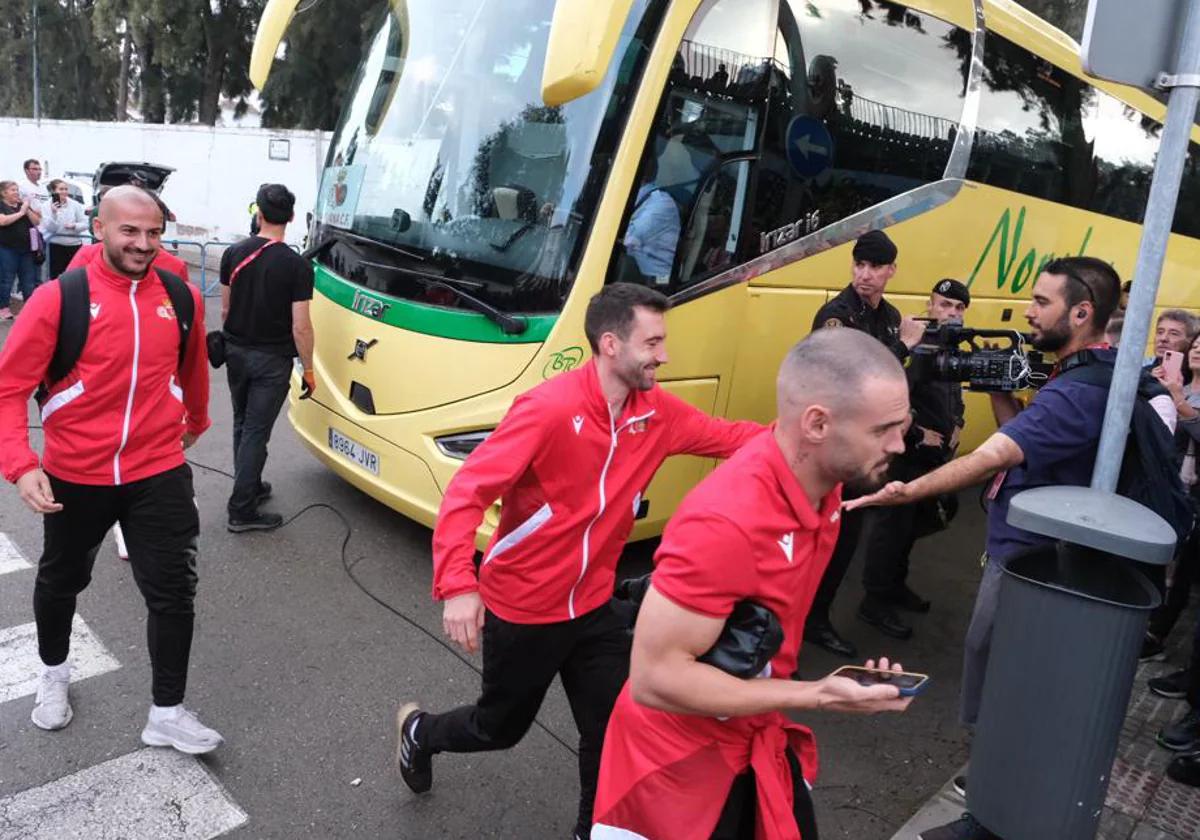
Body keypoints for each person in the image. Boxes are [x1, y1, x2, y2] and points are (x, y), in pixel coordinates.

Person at [395, 282, 765, 840]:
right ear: (611, 344)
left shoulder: (655, 413)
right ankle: (421, 732)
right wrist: (457, 584)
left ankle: (592, 832)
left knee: (613, 730)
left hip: (595, 605)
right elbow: (466, 492)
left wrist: (813, 442)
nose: (664, 355)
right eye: (654, 342)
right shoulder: (548, 410)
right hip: (525, 607)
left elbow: (731, 437)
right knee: (500, 728)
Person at [846, 256, 1132, 840]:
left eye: (1041, 302)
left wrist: (906, 491)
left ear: (1082, 313)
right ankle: (991, 789)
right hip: (1025, 547)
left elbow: (994, 455)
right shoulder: (1082, 372)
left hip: (1029, 558)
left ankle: (991, 802)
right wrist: (1001, 388)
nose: (1027, 311)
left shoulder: (1077, 392)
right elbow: (1022, 434)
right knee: (994, 662)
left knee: (999, 669)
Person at [591, 328, 914, 840]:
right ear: (817, 424)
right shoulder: (726, 522)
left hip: (752, 738)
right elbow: (655, 679)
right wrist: (819, 695)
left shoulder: (825, 492)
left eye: (905, 424)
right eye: (884, 430)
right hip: (677, 771)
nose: (899, 444)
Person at [0, 186, 221, 753]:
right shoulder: (59, 298)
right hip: (76, 473)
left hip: (158, 470)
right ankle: (53, 674)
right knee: (61, 581)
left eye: (153, 233)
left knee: (174, 593)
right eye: (130, 231)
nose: (143, 244)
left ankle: (166, 712)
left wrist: (196, 418)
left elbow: (192, 363)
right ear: (99, 228)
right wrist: (21, 465)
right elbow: (8, 388)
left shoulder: (178, 292)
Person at [804, 229, 926, 658]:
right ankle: (796, 628)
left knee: (846, 541)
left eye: (875, 266)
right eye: (859, 264)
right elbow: (851, 379)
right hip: (831, 449)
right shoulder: (836, 315)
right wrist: (903, 345)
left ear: (892, 270)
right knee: (816, 542)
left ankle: (815, 619)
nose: (865, 274)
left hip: (863, 451)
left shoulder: (889, 314)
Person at [857, 279, 970, 640]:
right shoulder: (917, 346)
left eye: (958, 307)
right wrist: (920, 433)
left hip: (933, 459)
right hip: (904, 455)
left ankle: (895, 587)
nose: (951, 313)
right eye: (945, 305)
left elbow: (954, 396)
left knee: (908, 528)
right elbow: (891, 402)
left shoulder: (952, 346)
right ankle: (874, 602)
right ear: (931, 305)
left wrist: (959, 425)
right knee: (890, 528)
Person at [219, 183, 314, 532]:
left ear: (258, 213)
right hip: (272, 360)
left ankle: (250, 484)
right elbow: (301, 327)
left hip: (235, 352)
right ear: (290, 217)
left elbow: (225, 309)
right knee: (257, 430)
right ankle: (242, 509)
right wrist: (310, 370)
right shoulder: (296, 265)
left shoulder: (233, 253)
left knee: (243, 423)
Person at [1142, 332, 1200, 665]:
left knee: (1179, 571)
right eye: (1195, 346)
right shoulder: (1179, 383)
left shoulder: (1182, 391)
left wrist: (1177, 400)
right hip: (1164, 482)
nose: (1196, 352)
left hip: (1191, 493)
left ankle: (1157, 634)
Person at [621, 157, 681, 286]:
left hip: (659, 287)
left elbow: (627, 240)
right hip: (636, 280)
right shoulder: (637, 200)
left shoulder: (661, 204)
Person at [0, 180, 41, 320]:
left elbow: (37, 222)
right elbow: (3, 221)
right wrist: (21, 213)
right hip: (7, 249)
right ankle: (3, 308)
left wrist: (26, 209)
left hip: (26, 250)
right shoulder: (1, 206)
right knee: (6, 279)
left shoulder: (22, 207)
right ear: (3, 193)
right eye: (12, 190)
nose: (16, 192)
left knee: (28, 280)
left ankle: (29, 308)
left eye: (17, 190)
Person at [42, 179, 88, 277]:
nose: (64, 192)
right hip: (56, 245)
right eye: (61, 189)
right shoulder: (46, 206)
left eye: (66, 189)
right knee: (55, 276)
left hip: (74, 245)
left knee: (74, 275)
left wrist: (74, 226)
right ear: (53, 191)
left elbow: (85, 223)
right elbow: (50, 228)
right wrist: (54, 213)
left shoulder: (75, 204)